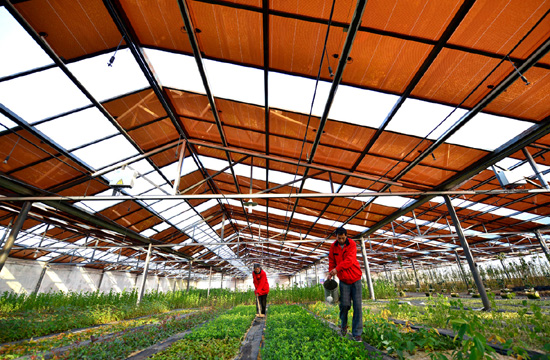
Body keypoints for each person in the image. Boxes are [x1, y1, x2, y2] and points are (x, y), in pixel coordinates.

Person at [326, 227, 363, 342]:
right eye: (339, 238)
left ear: (346, 236)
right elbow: (331, 260)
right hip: (344, 281)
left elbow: (350, 260)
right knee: (344, 305)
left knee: (357, 306)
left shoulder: (351, 244)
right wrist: (330, 272)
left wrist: (337, 269)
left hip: (355, 278)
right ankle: (343, 326)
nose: (341, 240)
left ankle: (357, 333)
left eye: (343, 238)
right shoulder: (333, 247)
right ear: (336, 237)